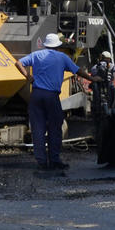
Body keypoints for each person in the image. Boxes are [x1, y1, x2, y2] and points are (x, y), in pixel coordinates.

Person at [16, 33, 101, 170]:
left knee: (38, 129)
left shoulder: (36, 55)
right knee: (55, 128)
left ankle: (42, 162)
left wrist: (28, 76)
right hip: (51, 96)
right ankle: (54, 160)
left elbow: (18, 63)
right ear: (58, 45)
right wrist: (92, 79)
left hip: (36, 95)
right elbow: (78, 71)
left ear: (45, 44)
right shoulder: (62, 57)